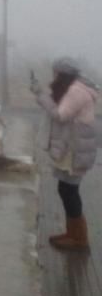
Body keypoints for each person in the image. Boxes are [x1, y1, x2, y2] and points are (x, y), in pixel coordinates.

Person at [31, 57, 99, 251]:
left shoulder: (77, 92)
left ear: (63, 74)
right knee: (66, 190)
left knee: (69, 192)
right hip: (73, 147)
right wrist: (41, 93)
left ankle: (79, 238)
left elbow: (60, 114)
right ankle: (73, 233)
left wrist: (40, 95)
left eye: (55, 72)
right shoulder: (75, 88)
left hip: (75, 150)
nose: (53, 76)